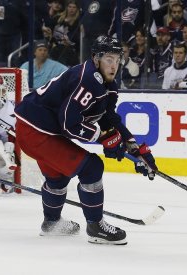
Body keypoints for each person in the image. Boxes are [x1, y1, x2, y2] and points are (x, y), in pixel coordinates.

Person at [14, 35, 158, 245]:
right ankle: (96, 226)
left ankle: (52, 223)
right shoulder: (88, 79)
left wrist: (133, 145)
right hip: (37, 130)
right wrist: (103, 138)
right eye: (109, 59)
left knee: (58, 178)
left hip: (37, 128)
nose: (114, 65)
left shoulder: (107, 84)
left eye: (118, 60)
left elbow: (109, 118)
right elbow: (69, 123)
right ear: (96, 58)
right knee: (91, 167)